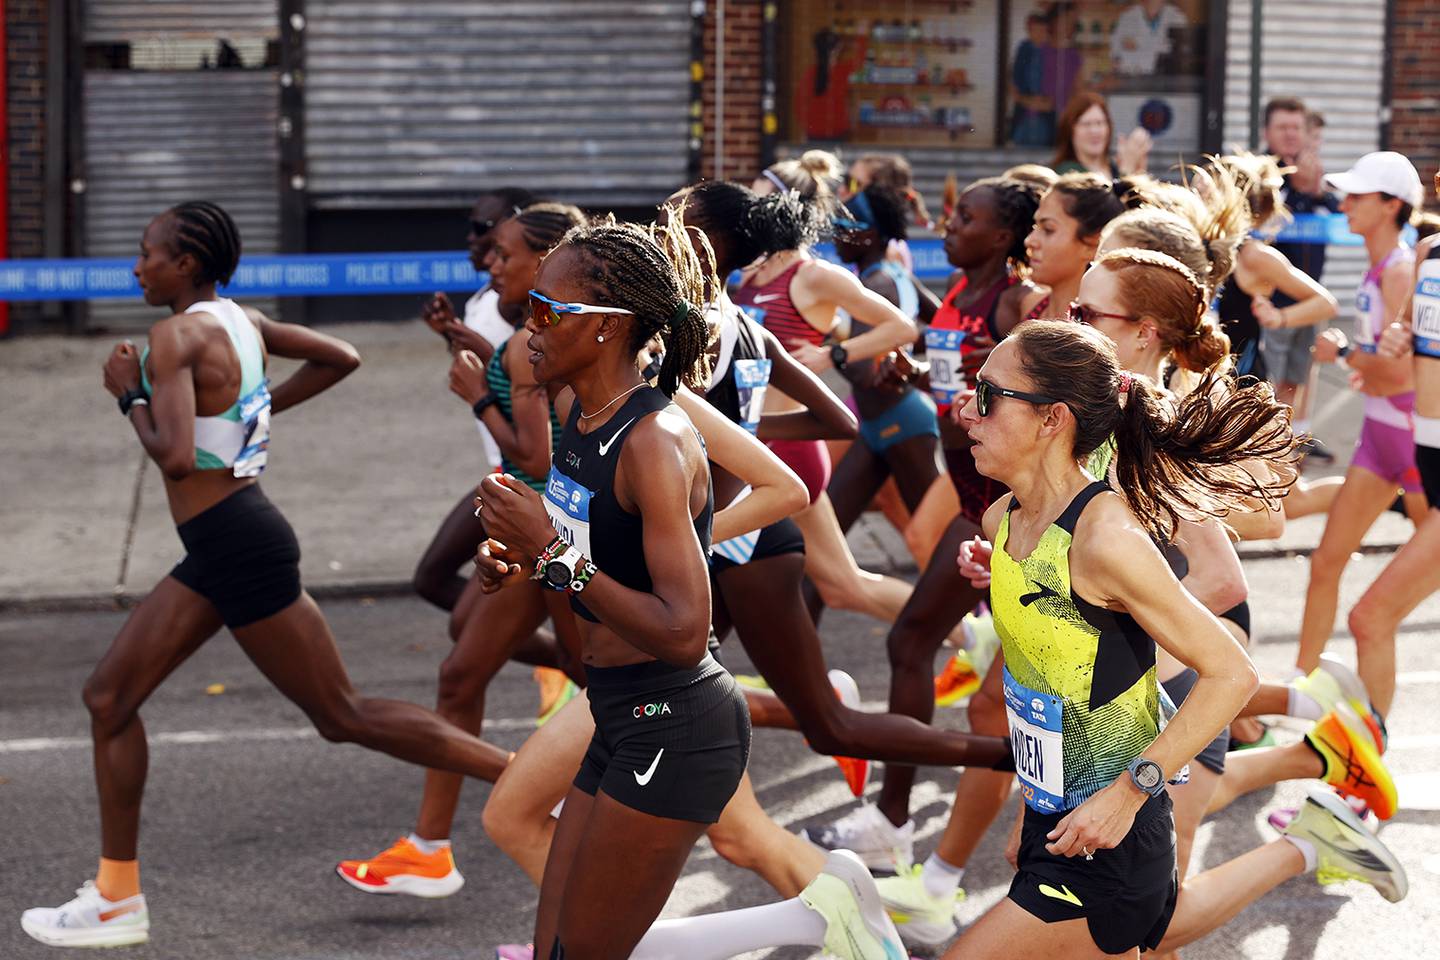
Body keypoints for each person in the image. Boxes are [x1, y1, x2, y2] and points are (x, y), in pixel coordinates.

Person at [22, 202, 516, 949]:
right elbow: (340, 356)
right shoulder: (240, 321)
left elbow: (177, 456)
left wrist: (128, 391)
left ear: (185, 264)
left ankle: (534, 782)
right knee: (111, 697)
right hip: (234, 540)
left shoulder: (173, 337)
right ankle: (117, 897)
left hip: (233, 542)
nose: (135, 266)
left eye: (147, 253)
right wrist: (258, 408)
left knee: (342, 715)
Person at [938, 320, 1404, 960]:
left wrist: (1129, 793)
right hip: (1060, 821)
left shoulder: (1105, 538)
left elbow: (1231, 674)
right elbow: (1050, 678)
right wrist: (1031, 810)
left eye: (989, 396)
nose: (967, 411)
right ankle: (1309, 844)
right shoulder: (1005, 519)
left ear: (1052, 420)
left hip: (1112, 837)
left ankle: (1307, 845)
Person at [335, 203, 587, 898]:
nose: (492, 264)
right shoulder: (550, 334)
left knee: (468, 674)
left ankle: (436, 844)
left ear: (545, 263)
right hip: (548, 524)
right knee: (571, 673)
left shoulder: (534, 341)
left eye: (505, 255)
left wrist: (479, 398)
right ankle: (434, 844)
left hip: (542, 528)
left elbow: (536, 452)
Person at [806, 176, 1042, 868]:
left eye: (966, 217)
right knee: (918, 645)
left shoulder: (1013, 301)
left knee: (914, 645)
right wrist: (913, 376)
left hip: (1007, 512)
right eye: (952, 211)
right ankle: (900, 820)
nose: (950, 223)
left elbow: (1052, 376)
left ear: (1002, 237)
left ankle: (897, 821)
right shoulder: (959, 298)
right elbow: (954, 369)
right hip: (972, 501)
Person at [734, 159, 924, 631]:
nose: (749, 204)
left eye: (758, 194)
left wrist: (834, 355)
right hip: (751, 442)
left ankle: (963, 627)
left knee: (723, 566)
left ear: (784, 204)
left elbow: (900, 326)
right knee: (841, 584)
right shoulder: (752, 276)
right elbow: (816, 325)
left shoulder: (814, 274)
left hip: (789, 445)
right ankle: (967, 632)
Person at [1297, 152, 1427, 688]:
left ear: (1392, 205)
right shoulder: (1380, 266)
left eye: (1358, 196)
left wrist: (1348, 355)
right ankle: (1298, 687)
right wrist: (1362, 365)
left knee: (1384, 605)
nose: (1344, 204)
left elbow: (1402, 375)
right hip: (1379, 437)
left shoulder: (1400, 269)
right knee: (1326, 562)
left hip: (1414, 442)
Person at [413, 187, 537, 610]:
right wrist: (453, 334)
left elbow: (508, 373)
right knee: (433, 585)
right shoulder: (487, 297)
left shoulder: (519, 307)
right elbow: (492, 366)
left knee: (462, 660)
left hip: (533, 482)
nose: (474, 242)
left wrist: (480, 395)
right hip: (508, 472)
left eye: (483, 229)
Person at [1363, 168, 1440, 724]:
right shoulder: (1430, 252)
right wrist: (1401, 333)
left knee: (1372, 616)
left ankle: (1365, 774)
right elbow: (1409, 327)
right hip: (1425, 449)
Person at [1211, 152, 1340, 382]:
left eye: (1206, 192)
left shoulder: (1252, 254)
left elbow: (1326, 304)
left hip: (1240, 386)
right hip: (1204, 377)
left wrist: (1278, 317)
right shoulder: (1206, 245)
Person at [1262, 97, 1341, 456]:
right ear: (1267, 132)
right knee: (1267, 377)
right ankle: (1263, 441)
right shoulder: (1263, 174)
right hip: (1271, 297)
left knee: (1297, 373)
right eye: (1283, 127)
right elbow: (1269, 220)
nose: (1291, 134)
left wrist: (1316, 191)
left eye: (1296, 127)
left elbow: (1339, 213)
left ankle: (1290, 440)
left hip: (1311, 295)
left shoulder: (1312, 173)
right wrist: (1301, 192)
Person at [1051, 92, 1150, 179]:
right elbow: (1111, 200)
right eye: (1086, 124)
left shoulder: (1114, 169)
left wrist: (1139, 170)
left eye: (1100, 123)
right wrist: (1127, 168)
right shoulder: (1067, 173)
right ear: (1071, 130)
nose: (1094, 131)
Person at [1109, 0, 1188, 76]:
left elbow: (1177, 53)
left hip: (1166, 76)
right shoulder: (1127, 17)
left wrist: (1137, 45)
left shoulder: (1177, 18)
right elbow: (1116, 55)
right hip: (1133, 76)